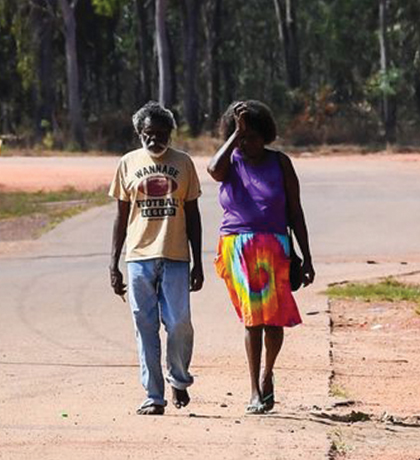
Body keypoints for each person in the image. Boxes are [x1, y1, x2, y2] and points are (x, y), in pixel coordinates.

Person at [207, 100, 315, 414]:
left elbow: (295, 212)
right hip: (238, 247)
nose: (247, 143)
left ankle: (268, 375)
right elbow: (213, 170)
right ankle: (254, 390)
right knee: (253, 320)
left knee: (274, 320)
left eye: (252, 136)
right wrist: (233, 137)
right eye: (241, 137)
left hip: (275, 248)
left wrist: (306, 256)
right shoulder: (229, 162)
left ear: (265, 134)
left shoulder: (280, 163)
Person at [109, 101, 204, 416]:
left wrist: (198, 262)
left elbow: (193, 214)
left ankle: (178, 378)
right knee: (144, 325)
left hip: (176, 255)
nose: (155, 140)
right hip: (138, 257)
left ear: (171, 134)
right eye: (149, 134)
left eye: (162, 133)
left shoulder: (184, 163)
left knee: (178, 323)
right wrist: (113, 264)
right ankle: (153, 395)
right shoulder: (127, 163)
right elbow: (121, 217)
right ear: (139, 133)